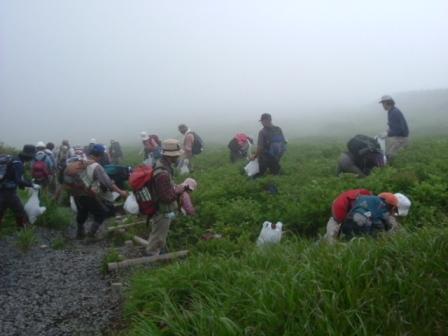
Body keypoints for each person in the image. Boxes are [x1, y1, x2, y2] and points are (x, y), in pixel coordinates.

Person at [64, 144, 128, 239]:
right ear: (101, 155)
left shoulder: (79, 160)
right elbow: (108, 183)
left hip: (75, 193)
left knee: (82, 211)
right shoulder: (95, 166)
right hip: (88, 194)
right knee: (101, 213)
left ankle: (80, 233)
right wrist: (121, 192)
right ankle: (90, 235)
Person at [146, 139, 186, 256]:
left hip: (161, 208)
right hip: (162, 209)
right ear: (171, 156)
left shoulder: (162, 165)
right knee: (158, 235)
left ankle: (160, 251)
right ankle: (151, 257)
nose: (178, 157)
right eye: (177, 155)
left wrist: (174, 188)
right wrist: (178, 190)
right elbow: (166, 197)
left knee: (160, 233)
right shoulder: (163, 173)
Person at [325, 190, 411, 241]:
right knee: (332, 239)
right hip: (341, 216)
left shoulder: (372, 200)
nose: (394, 215)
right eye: (395, 211)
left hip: (348, 216)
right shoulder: (377, 207)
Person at [0, 145, 38, 228]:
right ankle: (22, 230)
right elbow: (18, 180)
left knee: (2, 209)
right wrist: (31, 185)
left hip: (2, 188)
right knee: (20, 211)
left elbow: (12, 176)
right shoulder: (18, 164)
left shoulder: (14, 159)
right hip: (9, 192)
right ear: (29, 156)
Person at [379, 95, 409, 160]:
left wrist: (387, 134)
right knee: (388, 152)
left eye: (383, 104)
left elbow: (399, 129)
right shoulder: (391, 111)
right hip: (398, 137)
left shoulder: (394, 112)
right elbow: (392, 126)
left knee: (391, 156)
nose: (383, 106)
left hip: (401, 139)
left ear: (388, 103)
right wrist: (387, 131)